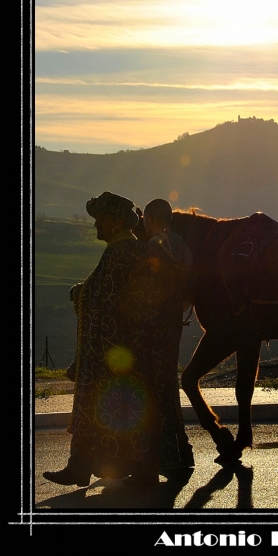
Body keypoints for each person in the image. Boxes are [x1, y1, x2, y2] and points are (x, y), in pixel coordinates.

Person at [43, 191, 194, 489]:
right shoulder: (134, 250)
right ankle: (88, 466)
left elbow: (104, 299)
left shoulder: (118, 253)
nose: (96, 225)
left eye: (101, 219)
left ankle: (89, 467)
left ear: (115, 223)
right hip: (129, 350)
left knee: (105, 410)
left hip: (110, 352)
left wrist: (79, 294)